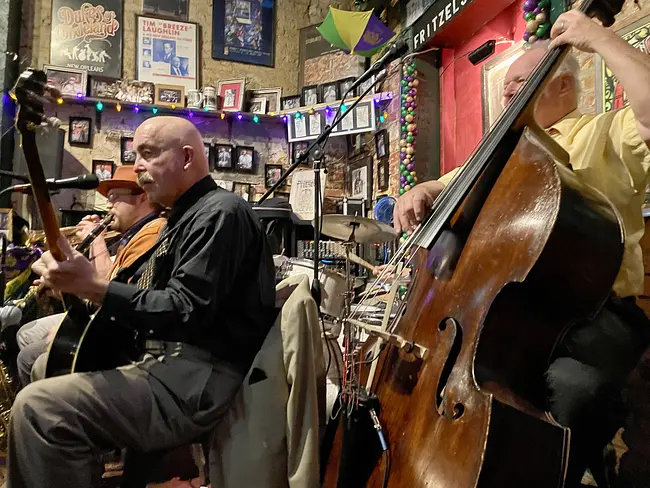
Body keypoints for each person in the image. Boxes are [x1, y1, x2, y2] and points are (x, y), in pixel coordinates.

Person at [392, 10, 650, 487]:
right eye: (506, 87)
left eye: (522, 83)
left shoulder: (602, 134)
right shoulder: (502, 153)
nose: (510, 95)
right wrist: (421, 190)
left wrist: (598, 38)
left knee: (577, 392)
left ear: (564, 88)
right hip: (509, 313)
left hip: (594, 317)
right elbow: (442, 189)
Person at [7, 116, 276, 487]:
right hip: (171, 364)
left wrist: (95, 287)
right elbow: (149, 299)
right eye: (137, 156)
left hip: (197, 379)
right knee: (43, 370)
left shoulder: (221, 213)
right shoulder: (182, 218)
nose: (137, 167)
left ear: (186, 157)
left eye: (148, 154)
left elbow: (185, 310)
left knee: (40, 410)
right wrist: (76, 285)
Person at [15, 166, 166, 387]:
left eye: (114, 197)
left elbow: (108, 285)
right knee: (26, 338)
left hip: (116, 330)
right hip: (100, 315)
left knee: (31, 358)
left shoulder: (152, 232)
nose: (108, 205)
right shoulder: (130, 235)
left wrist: (95, 239)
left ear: (142, 198)